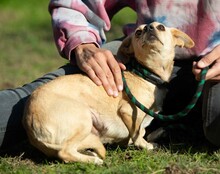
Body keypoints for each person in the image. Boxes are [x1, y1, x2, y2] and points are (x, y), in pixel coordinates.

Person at [0, 0, 220, 150]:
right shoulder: (132, 47)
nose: (151, 30)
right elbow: (76, 3)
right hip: (134, 61)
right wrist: (82, 42)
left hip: (213, 67)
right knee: (30, 102)